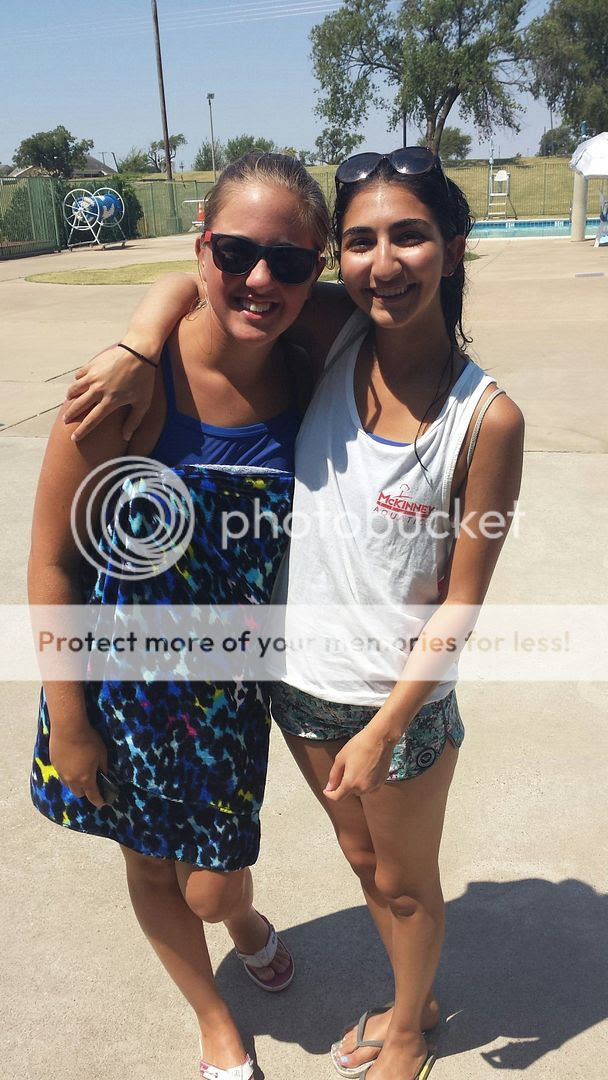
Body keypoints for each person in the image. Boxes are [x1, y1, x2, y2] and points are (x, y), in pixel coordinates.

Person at [63, 147, 524, 1080]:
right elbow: (207, 275)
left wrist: (389, 724)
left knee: (404, 882)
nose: (383, 264)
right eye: (360, 242)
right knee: (363, 864)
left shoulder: (485, 418)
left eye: (409, 236)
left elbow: (464, 600)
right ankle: (406, 997)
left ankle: (409, 1030)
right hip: (295, 688)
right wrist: (138, 339)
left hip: (395, 702)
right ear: (339, 260)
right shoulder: (337, 333)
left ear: (454, 247)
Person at [29, 152, 329, 1080]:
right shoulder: (124, 388)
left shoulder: (311, 368)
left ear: (316, 269)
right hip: (116, 693)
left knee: (211, 887)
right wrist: (69, 719)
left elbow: (397, 299)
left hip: (228, 701)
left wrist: (150, 311)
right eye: (234, 252)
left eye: (290, 260)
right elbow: (52, 562)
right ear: (202, 244)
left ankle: (243, 920)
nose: (260, 279)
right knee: (148, 866)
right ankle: (215, 1024)